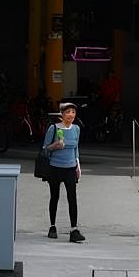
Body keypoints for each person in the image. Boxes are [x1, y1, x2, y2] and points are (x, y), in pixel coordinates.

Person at [41, 102, 84, 243]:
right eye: (68, 112)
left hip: (70, 168)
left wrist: (78, 165)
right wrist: (55, 146)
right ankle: (52, 226)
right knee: (55, 196)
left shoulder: (76, 129)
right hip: (55, 168)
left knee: (72, 198)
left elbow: (76, 148)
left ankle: (74, 229)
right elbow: (45, 150)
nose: (71, 115)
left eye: (73, 112)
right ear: (62, 114)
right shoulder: (53, 128)